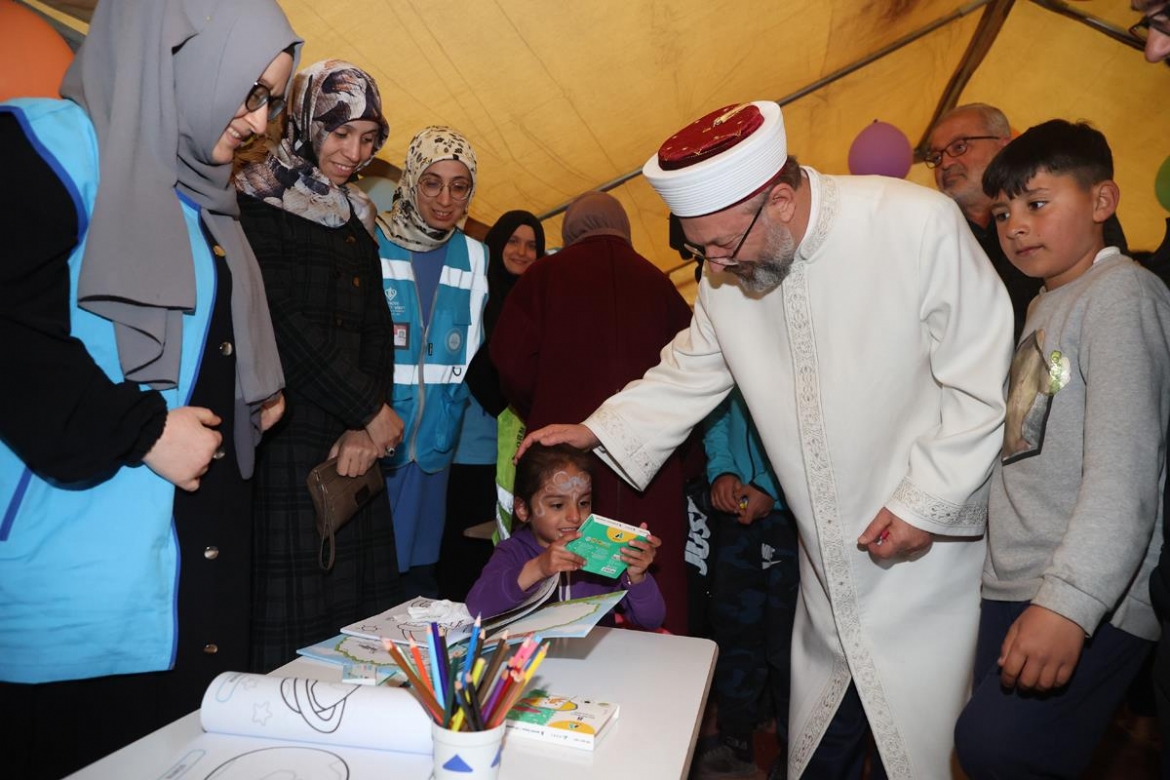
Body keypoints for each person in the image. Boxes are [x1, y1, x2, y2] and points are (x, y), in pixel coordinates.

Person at [520, 100, 1013, 779]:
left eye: (720, 245)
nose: (713, 266)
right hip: (826, 571)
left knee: (925, 745)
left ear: (778, 199)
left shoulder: (914, 223)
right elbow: (690, 368)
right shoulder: (730, 276)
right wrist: (595, 427)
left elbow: (981, 378)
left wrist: (924, 504)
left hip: (923, 568)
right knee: (816, 747)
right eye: (700, 251)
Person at [0, 1, 300, 775]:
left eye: (270, 99)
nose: (259, 120)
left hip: (184, 608)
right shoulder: (51, 147)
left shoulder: (211, 205)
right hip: (74, 611)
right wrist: (138, 428)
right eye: (250, 89)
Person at [951, 119, 1170, 779]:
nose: (1016, 225)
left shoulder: (1120, 295)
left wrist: (1068, 604)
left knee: (998, 746)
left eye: (1037, 203)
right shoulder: (1047, 305)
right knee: (1000, 750)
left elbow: (1124, 472)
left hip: (1084, 587)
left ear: (1102, 202)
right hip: (1019, 578)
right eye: (1002, 212)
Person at [235, 59, 402, 672]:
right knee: (293, 625)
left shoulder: (357, 212)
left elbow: (376, 327)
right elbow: (275, 320)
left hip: (352, 442)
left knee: (358, 627)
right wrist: (365, 406)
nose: (353, 152)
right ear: (305, 122)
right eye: (338, 133)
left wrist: (366, 424)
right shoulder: (254, 196)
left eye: (367, 138)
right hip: (288, 434)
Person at [491, 191, 697, 635]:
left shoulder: (543, 276)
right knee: (646, 564)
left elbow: (508, 359)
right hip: (649, 462)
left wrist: (544, 411)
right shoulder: (658, 282)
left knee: (561, 564)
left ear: (570, 230)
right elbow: (693, 377)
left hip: (564, 459)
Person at [376, 127, 489, 598]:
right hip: (377, 443)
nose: (445, 199)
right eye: (432, 183)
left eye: (459, 186)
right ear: (411, 181)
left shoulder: (475, 255)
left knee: (419, 579)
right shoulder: (371, 238)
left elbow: (470, 356)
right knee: (374, 576)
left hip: (436, 447)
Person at [926, 104, 1127, 344]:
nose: (945, 164)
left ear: (1004, 145)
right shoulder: (937, 240)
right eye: (936, 157)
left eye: (959, 147)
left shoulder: (1114, 285)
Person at [439, 210, 546, 601]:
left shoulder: (537, 301)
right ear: (496, 244)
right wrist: (512, 394)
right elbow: (469, 364)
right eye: (513, 241)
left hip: (516, 448)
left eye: (532, 244)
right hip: (471, 444)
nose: (522, 251)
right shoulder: (476, 295)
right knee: (466, 542)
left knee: (506, 546)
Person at [695, 388, 799, 780]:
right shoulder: (731, 338)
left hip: (793, 519)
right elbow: (717, 410)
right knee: (734, 629)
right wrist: (722, 470)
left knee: (789, 646)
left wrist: (771, 486)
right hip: (736, 516)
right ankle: (737, 742)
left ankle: (795, 754)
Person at [465, 443, 665, 629]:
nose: (575, 516)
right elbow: (478, 608)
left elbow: (651, 621)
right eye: (557, 505)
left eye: (584, 503)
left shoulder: (603, 550)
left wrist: (637, 576)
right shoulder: (513, 551)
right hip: (534, 660)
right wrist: (538, 568)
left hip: (597, 659)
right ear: (523, 509)